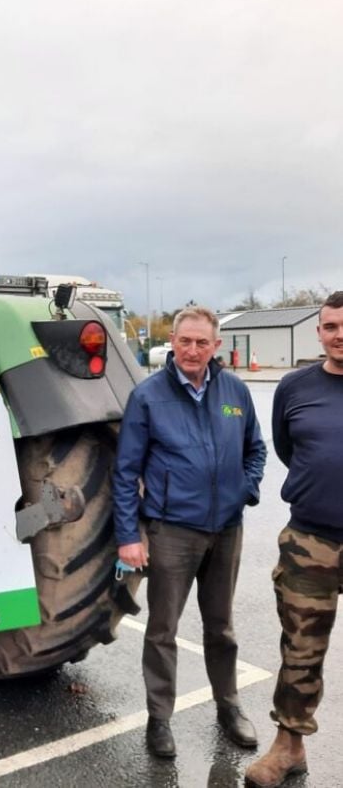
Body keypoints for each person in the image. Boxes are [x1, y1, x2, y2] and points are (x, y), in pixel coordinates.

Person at [113, 305, 267, 759]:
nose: (193, 350)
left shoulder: (235, 390)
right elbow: (125, 473)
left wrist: (245, 491)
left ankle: (229, 705)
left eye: (202, 342)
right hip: (172, 532)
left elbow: (255, 448)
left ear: (216, 346)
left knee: (221, 628)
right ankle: (159, 719)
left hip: (226, 531)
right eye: (185, 341)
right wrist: (128, 535)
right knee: (162, 629)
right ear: (172, 343)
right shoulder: (149, 396)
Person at [244, 291, 343, 788]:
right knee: (300, 650)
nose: (339, 334)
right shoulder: (294, 387)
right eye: (330, 327)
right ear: (319, 331)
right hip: (311, 540)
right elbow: (288, 449)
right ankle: (289, 748)